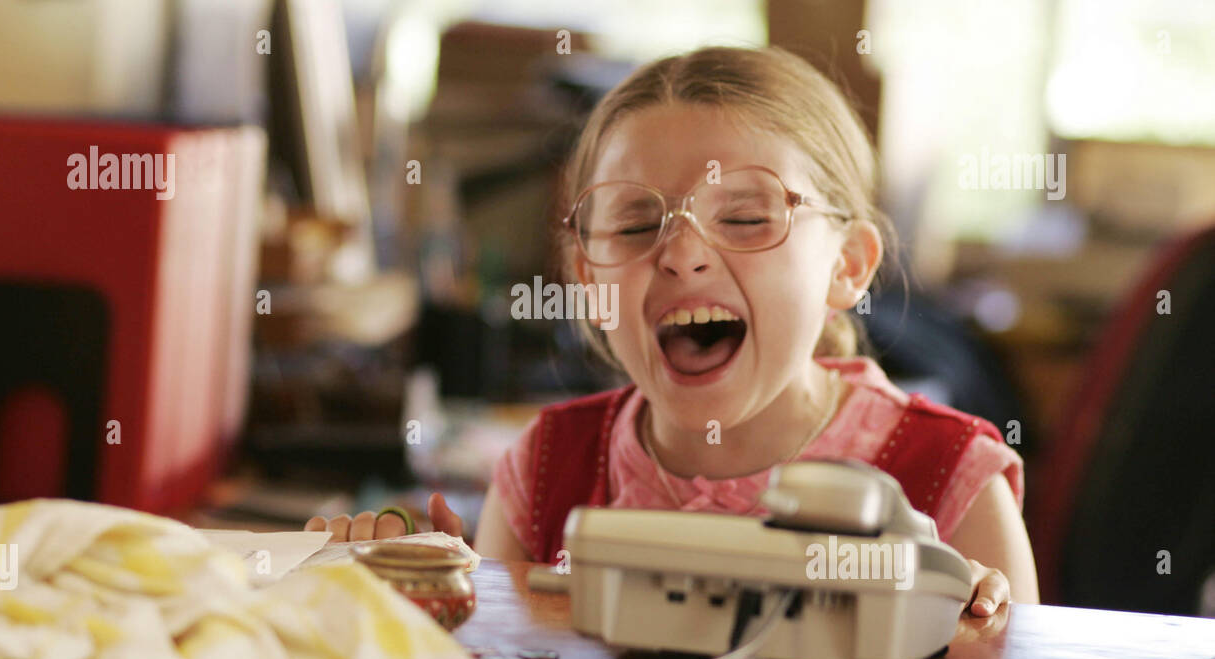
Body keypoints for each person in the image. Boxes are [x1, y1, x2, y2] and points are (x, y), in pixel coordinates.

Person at [309, 45, 1039, 618]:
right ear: (587, 279)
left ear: (847, 266)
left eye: (748, 217)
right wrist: (411, 614)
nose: (683, 253)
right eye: (634, 223)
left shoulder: (954, 487)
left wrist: (963, 635)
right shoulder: (544, 474)